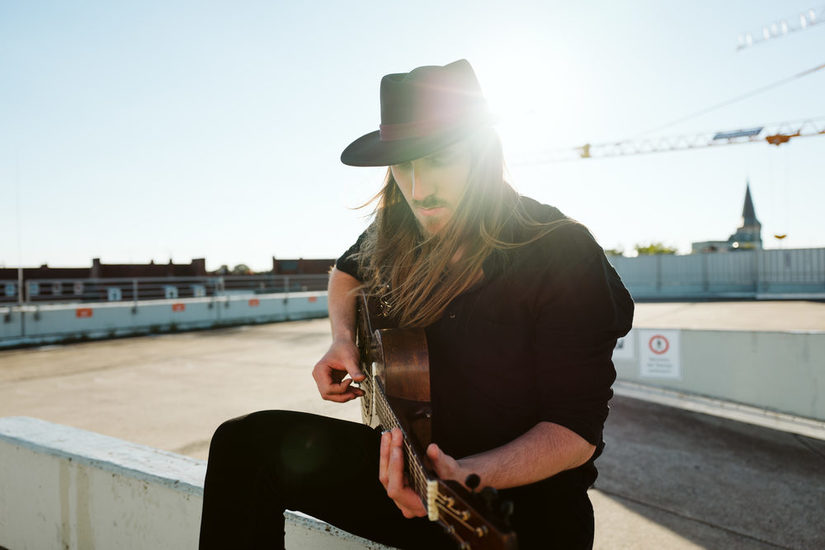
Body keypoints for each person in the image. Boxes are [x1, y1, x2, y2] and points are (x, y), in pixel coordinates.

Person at [198, 59, 634, 550]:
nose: (419, 190)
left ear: (481, 153)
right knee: (244, 444)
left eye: (440, 159)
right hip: (404, 469)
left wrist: (463, 477)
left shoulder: (560, 249)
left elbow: (575, 432)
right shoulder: (400, 227)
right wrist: (342, 340)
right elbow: (346, 271)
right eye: (403, 165)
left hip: (517, 509)